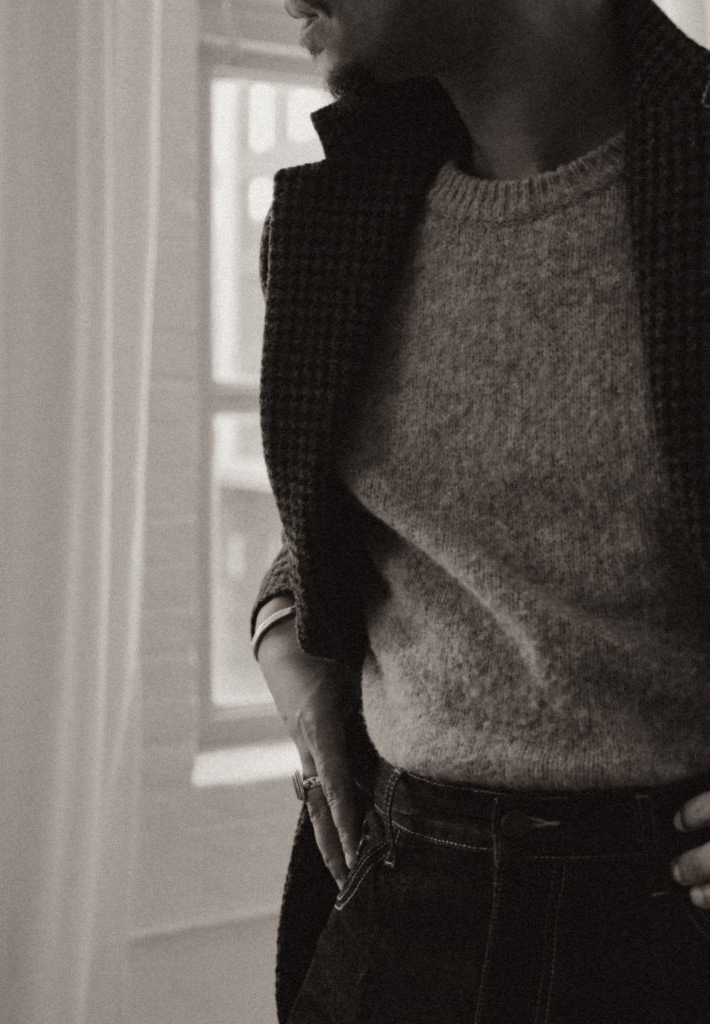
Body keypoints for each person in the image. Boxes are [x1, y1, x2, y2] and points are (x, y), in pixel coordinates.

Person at [250, 0, 710, 1020]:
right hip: (394, 898)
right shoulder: (336, 221)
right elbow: (359, 516)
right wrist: (287, 636)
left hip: (670, 932)